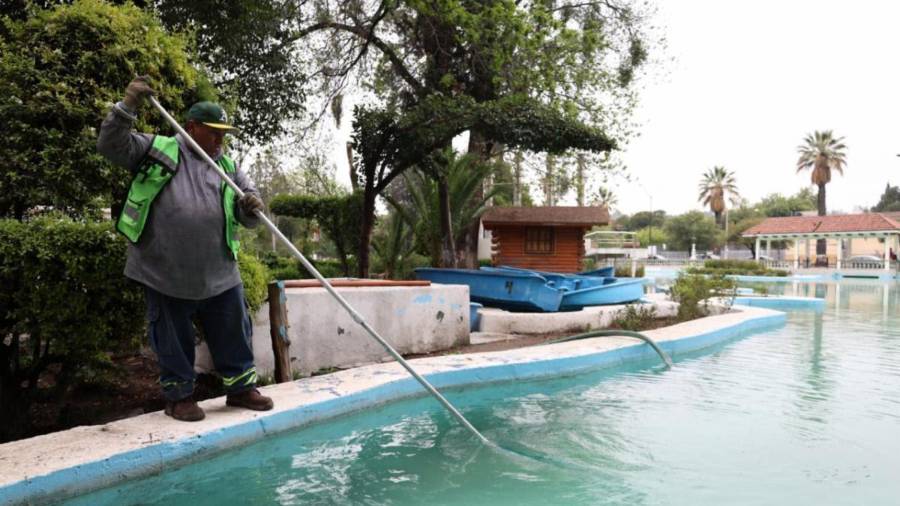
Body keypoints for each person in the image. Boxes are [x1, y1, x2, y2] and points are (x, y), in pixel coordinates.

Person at [97, 77, 273, 421]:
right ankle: (178, 398)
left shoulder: (227, 166)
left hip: (219, 273)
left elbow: (250, 210)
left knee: (234, 329)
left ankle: (241, 389)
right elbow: (111, 146)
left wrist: (252, 206)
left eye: (223, 134)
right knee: (172, 336)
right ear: (191, 127)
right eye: (213, 133)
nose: (220, 140)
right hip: (165, 271)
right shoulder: (159, 149)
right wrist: (127, 106)